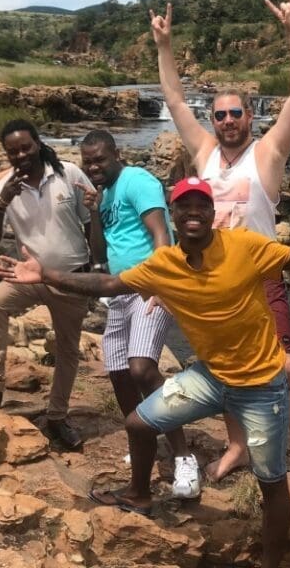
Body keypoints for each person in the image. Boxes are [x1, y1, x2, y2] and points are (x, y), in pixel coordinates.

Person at [0, 177, 290, 568]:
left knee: (270, 484)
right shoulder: (163, 264)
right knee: (137, 422)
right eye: (183, 206)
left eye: (200, 206)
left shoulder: (244, 246)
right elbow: (108, 285)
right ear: (172, 215)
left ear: (212, 214)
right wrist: (46, 274)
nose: (192, 213)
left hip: (263, 387)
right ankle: (140, 495)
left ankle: (270, 561)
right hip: (210, 378)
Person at [151, 0, 290, 507]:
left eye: (235, 113)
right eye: (220, 114)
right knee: (222, 364)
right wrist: (165, 47)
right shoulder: (204, 152)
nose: (227, 120)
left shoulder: (267, 154)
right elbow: (175, 102)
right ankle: (238, 444)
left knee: (288, 368)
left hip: (259, 277)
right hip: (206, 277)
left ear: (250, 116)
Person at [78, 129, 200, 498]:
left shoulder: (137, 180)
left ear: (116, 154)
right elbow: (99, 252)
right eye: (88, 162)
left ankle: (182, 455)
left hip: (151, 288)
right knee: (119, 374)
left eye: (100, 159)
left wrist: (162, 284)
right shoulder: (105, 194)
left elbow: (161, 234)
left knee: (142, 368)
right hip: (119, 292)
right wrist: (94, 211)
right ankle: (144, 440)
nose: (94, 167)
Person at [0, 119, 92, 451]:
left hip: (70, 276)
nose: (20, 155)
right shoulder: (0, 192)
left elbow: (90, 223)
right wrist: (3, 203)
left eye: (25, 147)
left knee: (67, 349)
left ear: (38, 144)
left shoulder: (69, 174)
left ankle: (57, 416)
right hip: (28, 274)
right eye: (12, 151)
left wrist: (95, 271)